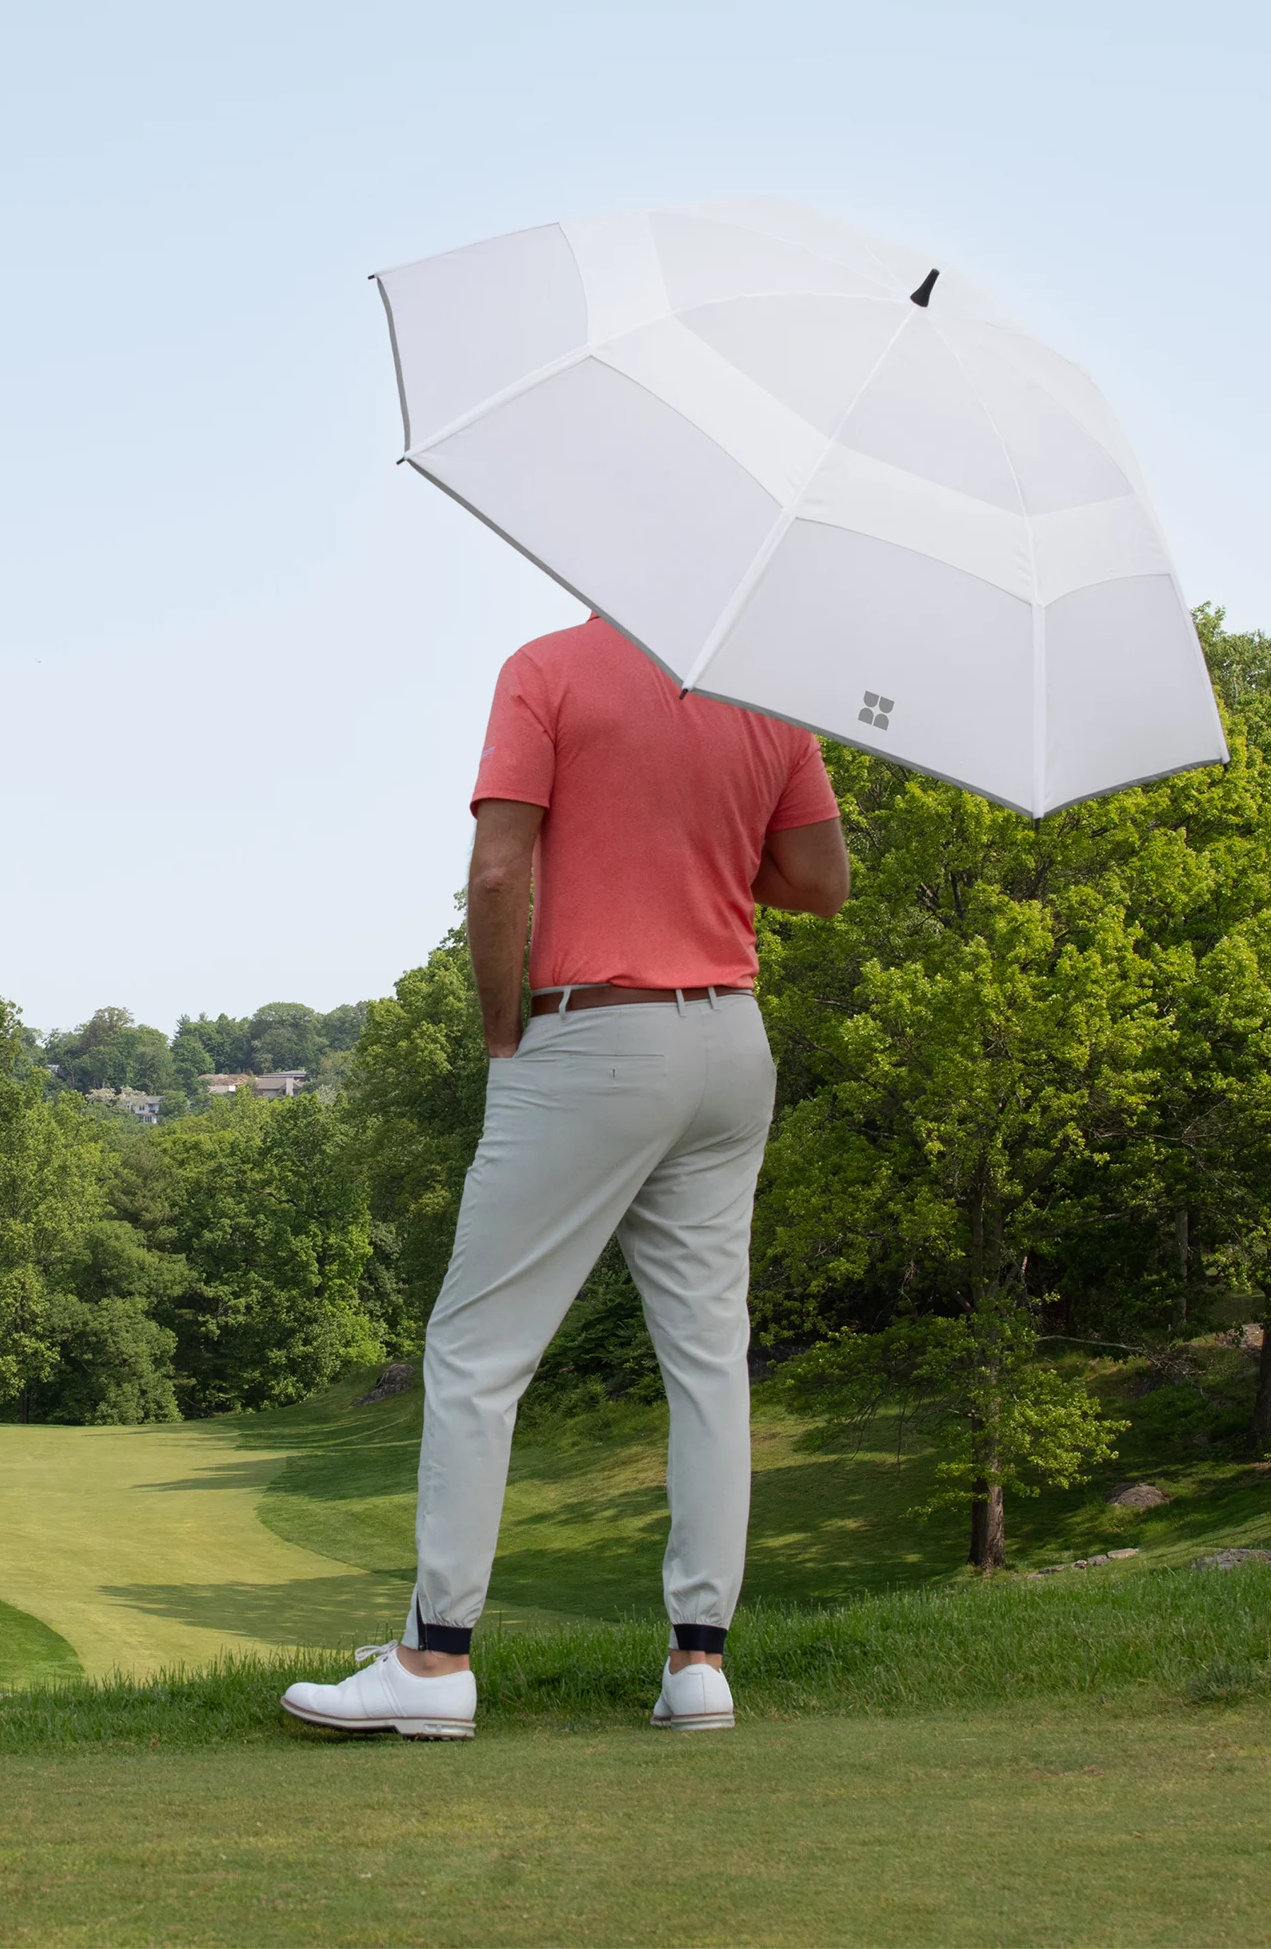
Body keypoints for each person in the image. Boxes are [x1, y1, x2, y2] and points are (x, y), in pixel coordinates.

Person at [281, 614, 849, 1740]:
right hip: (730, 1042)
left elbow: (498, 873)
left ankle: (434, 1661)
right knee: (705, 1355)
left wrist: (506, 1034)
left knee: (476, 1349)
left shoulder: (545, 670)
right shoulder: (765, 686)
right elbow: (820, 883)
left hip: (595, 1033)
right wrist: (704, 841)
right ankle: (698, 1665)